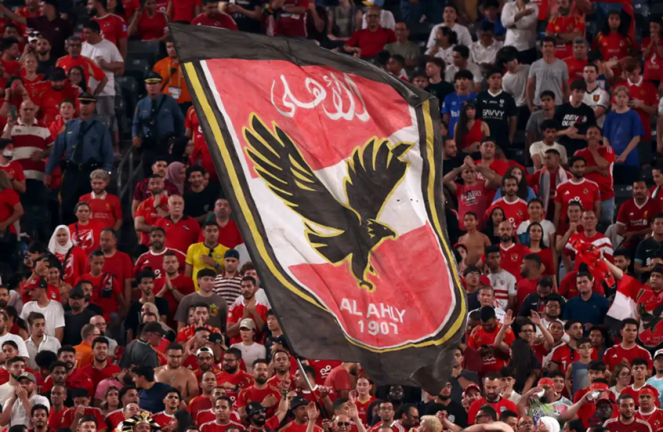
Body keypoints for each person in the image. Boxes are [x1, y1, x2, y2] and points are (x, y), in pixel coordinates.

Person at [44, 93, 113, 225]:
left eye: (88, 103)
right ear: (78, 105)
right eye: (82, 103)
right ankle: (69, 235)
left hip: (91, 172)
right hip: (71, 171)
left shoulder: (101, 128)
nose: (84, 106)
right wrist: (48, 172)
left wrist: (106, 173)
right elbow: (57, 150)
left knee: (90, 208)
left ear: (93, 106)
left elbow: (107, 154)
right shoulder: (69, 126)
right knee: (67, 206)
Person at [574, 125, 616, 227]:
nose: (593, 135)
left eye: (596, 133)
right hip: (586, 196)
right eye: (590, 133)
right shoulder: (579, 153)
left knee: (607, 226)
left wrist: (593, 151)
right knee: (587, 225)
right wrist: (596, 169)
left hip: (606, 195)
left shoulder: (607, 149)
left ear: (600, 137)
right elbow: (577, 171)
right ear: (586, 136)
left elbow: (603, 164)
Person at [603, 86, 645, 183]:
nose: (621, 99)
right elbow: (605, 138)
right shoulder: (610, 116)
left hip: (630, 159)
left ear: (627, 98)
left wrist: (623, 155)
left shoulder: (634, 115)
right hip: (613, 160)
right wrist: (611, 155)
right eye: (619, 96)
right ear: (615, 98)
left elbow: (636, 137)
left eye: (624, 96)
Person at [553, 156, 601, 231]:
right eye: (577, 167)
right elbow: (557, 212)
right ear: (570, 168)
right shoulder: (561, 187)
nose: (580, 169)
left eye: (582, 166)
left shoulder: (594, 186)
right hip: (565, 228)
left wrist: (593, 227)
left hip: (586, 229)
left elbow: (597, 209)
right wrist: (555, 230)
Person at [476, 68, 517, 150]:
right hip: (484, 138)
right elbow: (476, 118)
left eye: (499, 78)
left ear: (501, 80)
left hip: (502, 137)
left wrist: (510, 137)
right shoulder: (481, 96)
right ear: (488, 80)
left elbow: (513, 119)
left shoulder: (508, 98)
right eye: (493, 78)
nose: (496, 80)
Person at [527, 37, 570, 111]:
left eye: (550, 46)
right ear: (541, 49)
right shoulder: (534, 65)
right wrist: (530, 105)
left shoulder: (562, 65)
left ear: (555, 48)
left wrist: (566, 104)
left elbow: (566, 86)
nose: (548, 48)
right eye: (545, 46)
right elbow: (530, 85)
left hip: (557, 103)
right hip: (539, 103)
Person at [153, 39, 191, 111]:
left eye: (174, 47)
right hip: (166, 103)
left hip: (187, 103)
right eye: (169, 47)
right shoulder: (159, 65)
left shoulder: (189, 64)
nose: (171, 49)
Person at [443, 71, 477, 139]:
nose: (461, 81)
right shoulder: (449, 98)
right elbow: (445, 119)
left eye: (464, 79)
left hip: (470, 136)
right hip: (452, 136)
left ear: (470, 81)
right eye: (459, 79)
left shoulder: (475, 98)